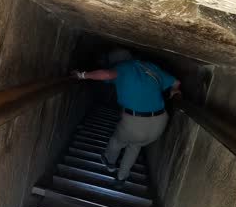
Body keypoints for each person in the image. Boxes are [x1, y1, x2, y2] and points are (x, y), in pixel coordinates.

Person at [71, 49, 181, 186]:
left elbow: (106, 74)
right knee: (135, 146)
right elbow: (176, 82)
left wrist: (81, 75)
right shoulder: (150, 67)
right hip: (160, 123)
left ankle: (110, 162)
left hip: (136, 123)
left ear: (116, 62)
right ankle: (121, 177)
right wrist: (175, 91)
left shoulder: (123, 68)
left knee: (117, 141)